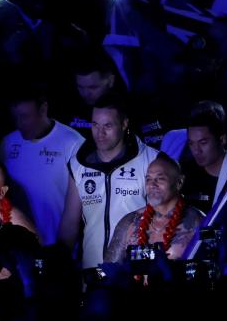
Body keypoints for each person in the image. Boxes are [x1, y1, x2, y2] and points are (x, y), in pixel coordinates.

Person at [59, 97, 160, 268]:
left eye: (108, 126)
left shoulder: (152, 160)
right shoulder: (78, 164)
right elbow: (70, 223)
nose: (100, 133)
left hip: (135, 272)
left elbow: (163, 218)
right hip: (93, 270)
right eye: (95, 125)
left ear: (124, 124)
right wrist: (59, 263)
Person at [0, 88, 84, 246]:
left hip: (55, 247)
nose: (19, 124)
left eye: (25, 117)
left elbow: (78, 208)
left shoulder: (73, 143)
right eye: (15, 117)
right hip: (16, 247)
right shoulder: (8, 143)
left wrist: (61, 250)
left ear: (43, 109)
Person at [105, 157, 204, 262]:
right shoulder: (129, 221)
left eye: (160, 179)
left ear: (179, 182)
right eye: (148, 179)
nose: (152, 185)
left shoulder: (198, 222)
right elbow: (110, 270)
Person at [182, 103, 227, 215]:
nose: (196, 150)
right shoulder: (186, 174)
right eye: (191, 143)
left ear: (222, 140)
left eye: (203, 142)